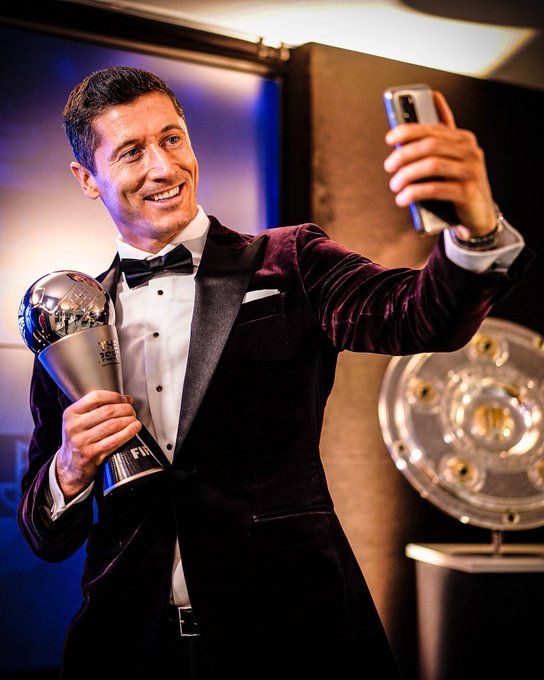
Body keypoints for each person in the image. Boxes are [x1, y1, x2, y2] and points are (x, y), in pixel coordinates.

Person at [18, 66, 527, 680]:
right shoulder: (71, 321)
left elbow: (420, 316)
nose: (164, 167)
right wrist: (70, 469)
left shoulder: (291, 261)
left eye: (172, 139)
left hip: (295, 637)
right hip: (128, 651)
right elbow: (44, 535)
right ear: (87, 179)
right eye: (131, 152)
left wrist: (476, 228)